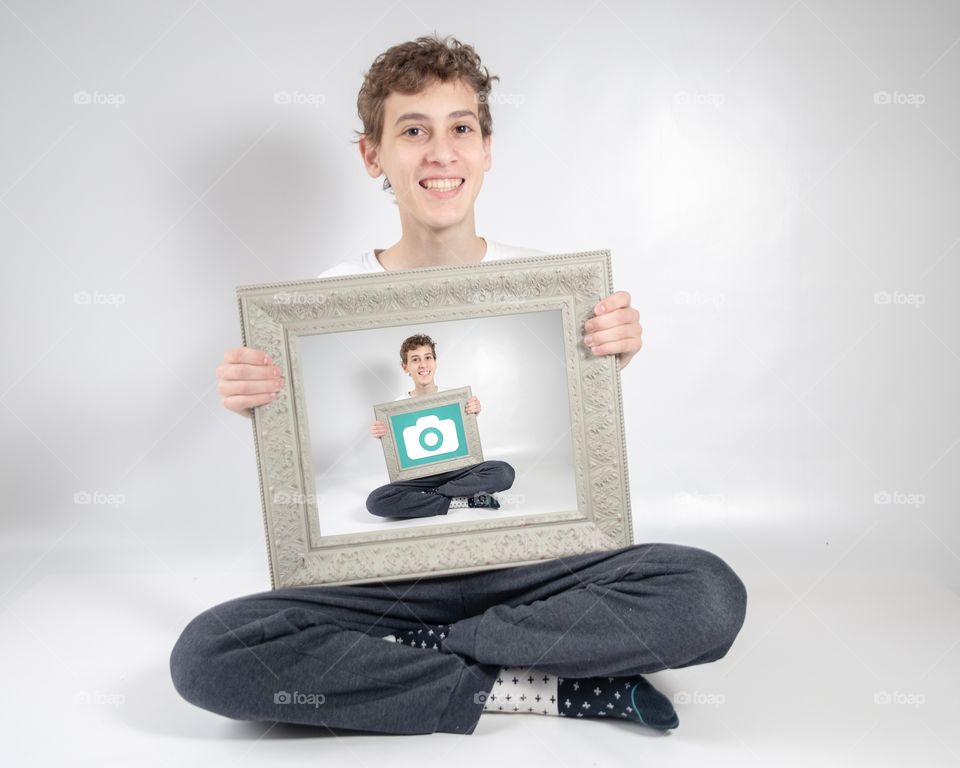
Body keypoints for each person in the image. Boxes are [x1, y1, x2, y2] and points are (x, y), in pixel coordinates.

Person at [174, 33, 747, 735]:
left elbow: (568, 456)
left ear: (486, 148)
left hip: (530, 569)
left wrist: (607, 355)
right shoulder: (316, 307)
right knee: (207, 655)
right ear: (372, 155)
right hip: (381, 580)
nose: (441, 152)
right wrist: (256, 401)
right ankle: (540, 686)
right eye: (413, 131)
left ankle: (420, 659)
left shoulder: (552, 290)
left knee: (707, 595)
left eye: (460, 129)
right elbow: (313, 468)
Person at [366, 333, 516, 518]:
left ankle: (431, 497)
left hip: (457, 472)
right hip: (419, 478)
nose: (423, 365)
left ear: (435, 362)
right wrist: (381, 432)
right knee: (376, 502)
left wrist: (473, 410)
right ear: (405, 367)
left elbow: (465, 437)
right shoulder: (395, 408)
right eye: (415, 359)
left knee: (504, 472)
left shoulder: (456, 397)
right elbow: (398, 453)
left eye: (428, 357)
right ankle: (460, 500)